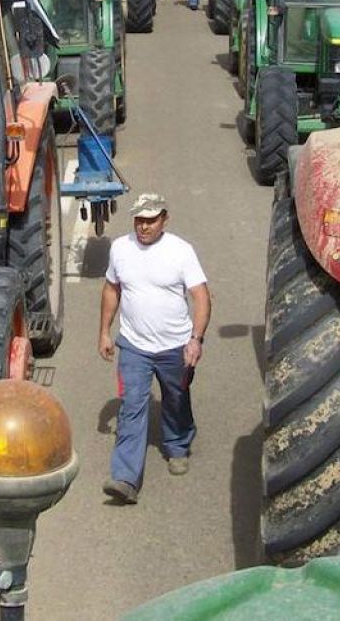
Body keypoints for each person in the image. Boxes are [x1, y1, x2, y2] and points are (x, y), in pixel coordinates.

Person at [99, 193, 211, 504]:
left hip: (175, 346)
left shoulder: (180, 251)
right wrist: (104, 332)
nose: (144, 226)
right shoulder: (121, 248)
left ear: (164, 219)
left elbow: (201, 296)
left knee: (176, 399)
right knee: (132, 406)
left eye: (150, 220)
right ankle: (125, 477)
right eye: (139, 219)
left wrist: (196, 339)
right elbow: (111, 289)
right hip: (134, 346)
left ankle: (177, 445)